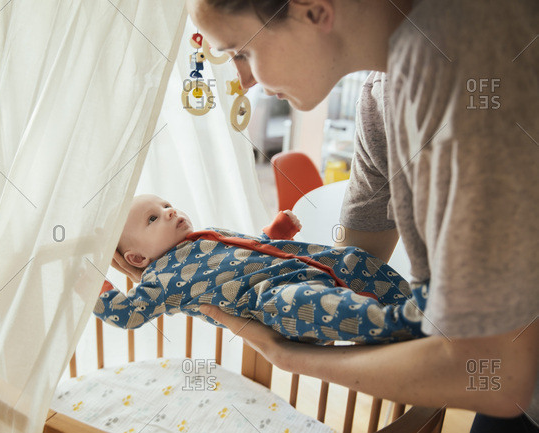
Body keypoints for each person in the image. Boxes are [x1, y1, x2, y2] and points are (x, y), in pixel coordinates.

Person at [112, 1, 536, 432]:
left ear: (313, 11)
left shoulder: (465, 79)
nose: (242, 80)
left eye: (241, 51)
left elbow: (496, 375)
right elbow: (352, 264)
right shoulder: (383, 99)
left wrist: (290, 357)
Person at [96, 194, 427, 345]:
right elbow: (128, 314)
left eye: (165, 205)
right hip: (269, 298)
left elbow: (251, 246)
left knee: (351, 258)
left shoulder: (208, 233)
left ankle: (416, 303)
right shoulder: (159, 281)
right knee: (302, 302)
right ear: (138, 259)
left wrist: (275, 234)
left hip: (293, 264)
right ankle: (392, 323)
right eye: (152, 218)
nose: (168, 212)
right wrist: (94, 285)